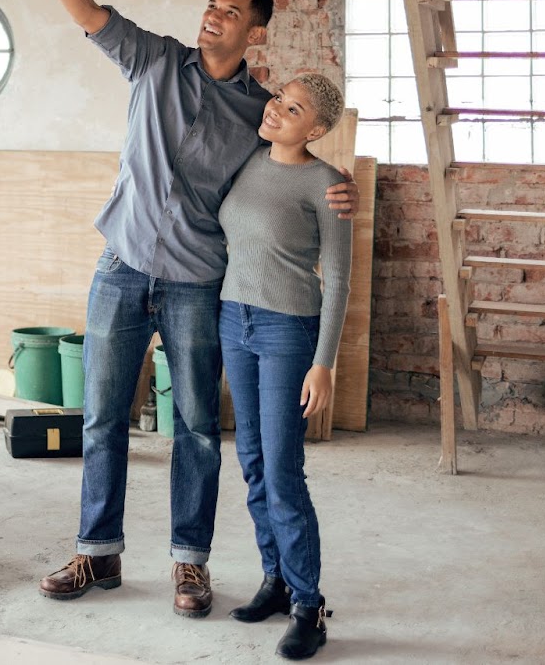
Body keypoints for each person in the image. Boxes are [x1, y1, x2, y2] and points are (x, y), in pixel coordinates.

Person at [15, 0, 355, 618]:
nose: (213, 15)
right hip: (122, 266)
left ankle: (189, 564)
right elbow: (86, 12)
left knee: (196, 428)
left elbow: (294, 168)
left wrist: (339, 192)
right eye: (211, 3)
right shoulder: (154, 62)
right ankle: (96, 553)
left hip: (198, 287)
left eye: (231, 12)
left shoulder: (258, 114)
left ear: (253, 32)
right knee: (102, 418)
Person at [217, 74, 350, 660]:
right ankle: (274, 580)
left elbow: (340, 279)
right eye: (278, 98)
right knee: (251, 463)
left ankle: (308, 604)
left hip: (286, 329)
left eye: (293, 109)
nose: (276, 110)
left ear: (315, 130)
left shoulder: (329, 185)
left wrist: (324, 363)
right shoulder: (247, 157)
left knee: (283, 470)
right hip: (232, 321)